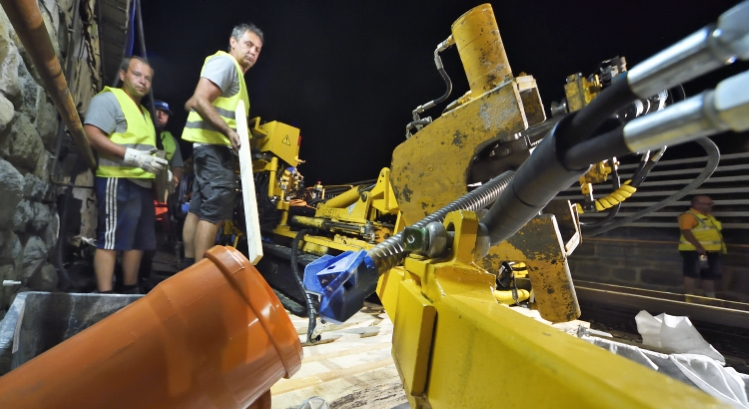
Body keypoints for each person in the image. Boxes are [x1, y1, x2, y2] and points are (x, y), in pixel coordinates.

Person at [181, 23, 263, 267]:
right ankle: (198, 278)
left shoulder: (233, 72)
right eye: (248, 44)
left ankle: (186, 268)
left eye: (258, 49)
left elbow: (193, 101)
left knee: (198, 209)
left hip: (206, 149)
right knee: (214, 211)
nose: (253, 52)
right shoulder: (227, 64)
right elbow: (199, 99)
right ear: (233, 42)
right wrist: (229, 131)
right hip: (214, 148)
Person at [84, 56, 168, 293]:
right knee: (110, 240)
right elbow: (92, 134)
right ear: (123, 75)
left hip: (142, 185)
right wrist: (133, 157)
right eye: (137, 74)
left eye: (148, 78)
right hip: (117, 179)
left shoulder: (144, 114)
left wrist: (163, 172)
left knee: (137, 242)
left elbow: (147, 149)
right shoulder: (110, 99)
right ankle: (105, 295)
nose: (143, 81)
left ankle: (128, 289)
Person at [678, 195, 727, 298]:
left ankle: (711, 299)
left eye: (711, 203)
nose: (711, 206)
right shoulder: (689, 216)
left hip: (710, 251)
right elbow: (686, 231)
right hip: (695, 251)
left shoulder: (709, 217)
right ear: (697, 204)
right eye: (708, 204)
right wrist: (698, 246)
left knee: (708, 275)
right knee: (691, 273)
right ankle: (689, 299)